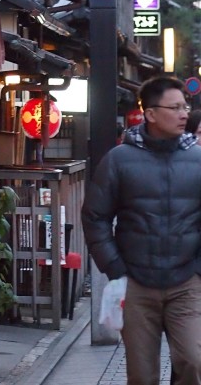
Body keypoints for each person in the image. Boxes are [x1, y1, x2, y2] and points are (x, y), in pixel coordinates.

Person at [81, 74, 201, 385]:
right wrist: (116, 268)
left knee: (193, 360)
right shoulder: (119, 159)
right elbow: (95, 216)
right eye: (174, 107)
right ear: (150, 113)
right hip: (135, 283)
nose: (184, 113)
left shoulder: (198, 159)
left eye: (185, 106)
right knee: (142, 375)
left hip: (187, 282)